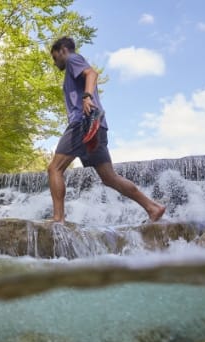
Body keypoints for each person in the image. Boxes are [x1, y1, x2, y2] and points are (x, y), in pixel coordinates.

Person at [48, 36, 166, 223]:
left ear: (63, 50)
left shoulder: (72, 59)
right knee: (109, 178)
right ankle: (153, 207)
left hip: (82, 123)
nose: (55, 63)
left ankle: (58, 219)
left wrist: (87, 97)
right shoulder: (72, 67)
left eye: (55, 58)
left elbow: (92, 74)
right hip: (97, 126)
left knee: (54, 168)